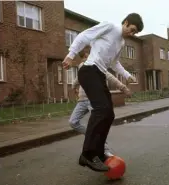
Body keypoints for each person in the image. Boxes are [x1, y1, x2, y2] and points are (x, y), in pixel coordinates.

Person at [62, 13, 144, 172]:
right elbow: (84, 36)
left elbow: (115, 63)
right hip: (89, 70)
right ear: (126, 22)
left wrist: (127, 75)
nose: (131, 34)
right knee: (100, 110)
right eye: (132, 29)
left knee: (109, 114)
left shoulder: (121, 42)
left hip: (99, 74)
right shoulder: (110, 27)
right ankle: (87, 154)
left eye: (135, 33)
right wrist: (71, 55)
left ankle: (98, 153)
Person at [69, 48, 132, 161]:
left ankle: (105, 150)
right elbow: (78, 78)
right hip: (82, 101)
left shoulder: (96, 66)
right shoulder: (82, 66)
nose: (85, 60)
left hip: (94, 100)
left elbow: (110, 76)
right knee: (73, 122)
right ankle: (91, 135)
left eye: (86, 57)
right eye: (83, 58)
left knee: (98, 125)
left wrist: (123, 88)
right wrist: (73, 87)